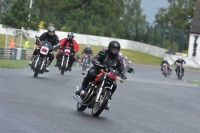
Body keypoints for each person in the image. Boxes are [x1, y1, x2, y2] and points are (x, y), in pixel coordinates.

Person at [76, 41, 127, 110]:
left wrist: (123, 74)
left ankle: (106, 99)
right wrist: (96, 62)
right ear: (110, 48)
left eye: (116, 49)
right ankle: (83, 88)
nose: (115, 51)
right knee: (91, 74)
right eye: (113, 49)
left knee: (114, 85)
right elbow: (95, 58)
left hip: (110, 74)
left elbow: (122, 67)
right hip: (100, 69)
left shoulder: (119, 58)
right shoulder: (104, 52)